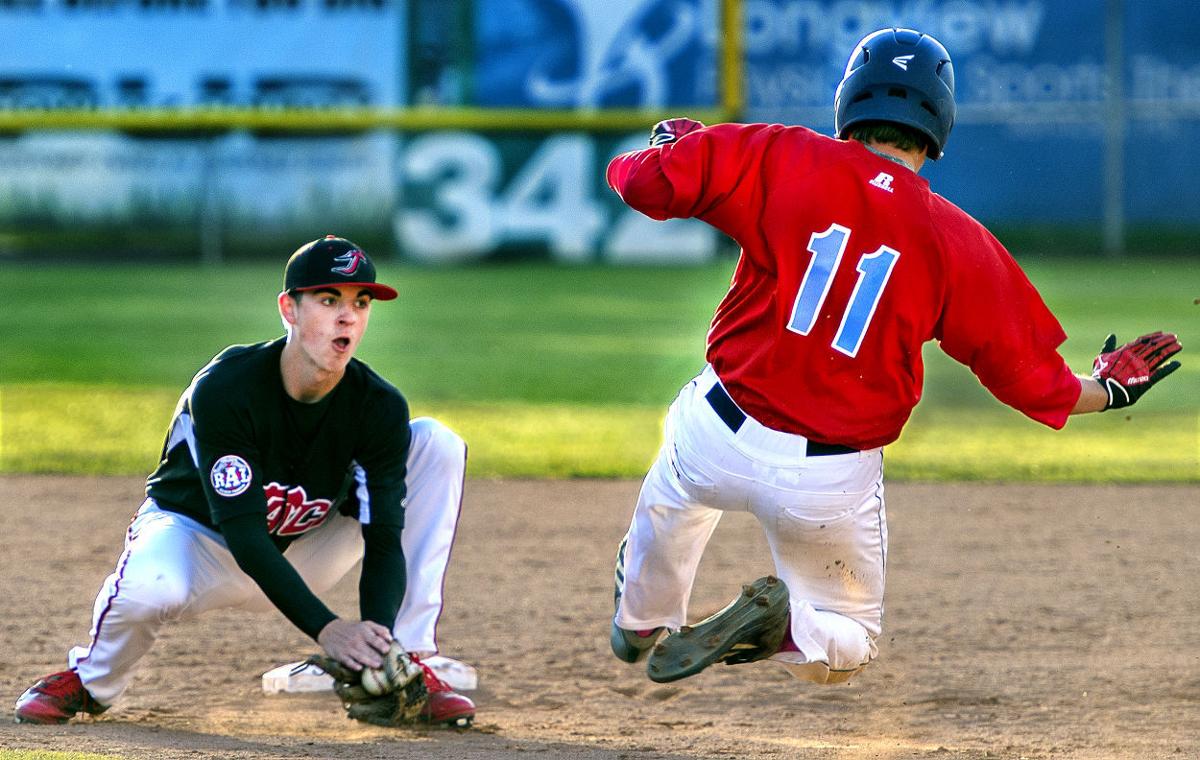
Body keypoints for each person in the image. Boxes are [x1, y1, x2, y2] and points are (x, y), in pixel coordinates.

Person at [604, 28, 1182, 686]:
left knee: (677, 488)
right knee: (850, 642)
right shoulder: (953, 237)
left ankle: (642, 616)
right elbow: (1031, 380)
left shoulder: (778, 154)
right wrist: (1105, 389)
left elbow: (645, 187)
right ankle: (790, 626)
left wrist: (666, 150)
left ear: (850, 99)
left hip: (719, 431)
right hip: (827, 480)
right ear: (938, 122)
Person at [14, 235, 476, 727]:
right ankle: (90, 683)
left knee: (435, 442)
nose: (348, 317)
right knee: (149, 589)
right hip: (199, 542)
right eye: (328, 300)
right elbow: (244, 534)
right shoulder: (228, 388)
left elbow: (384, 538)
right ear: (289, 309)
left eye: (360, 303)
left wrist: (373, 646)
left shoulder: (377, 405)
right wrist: (328, 629)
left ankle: (407, 660)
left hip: (303, 550)